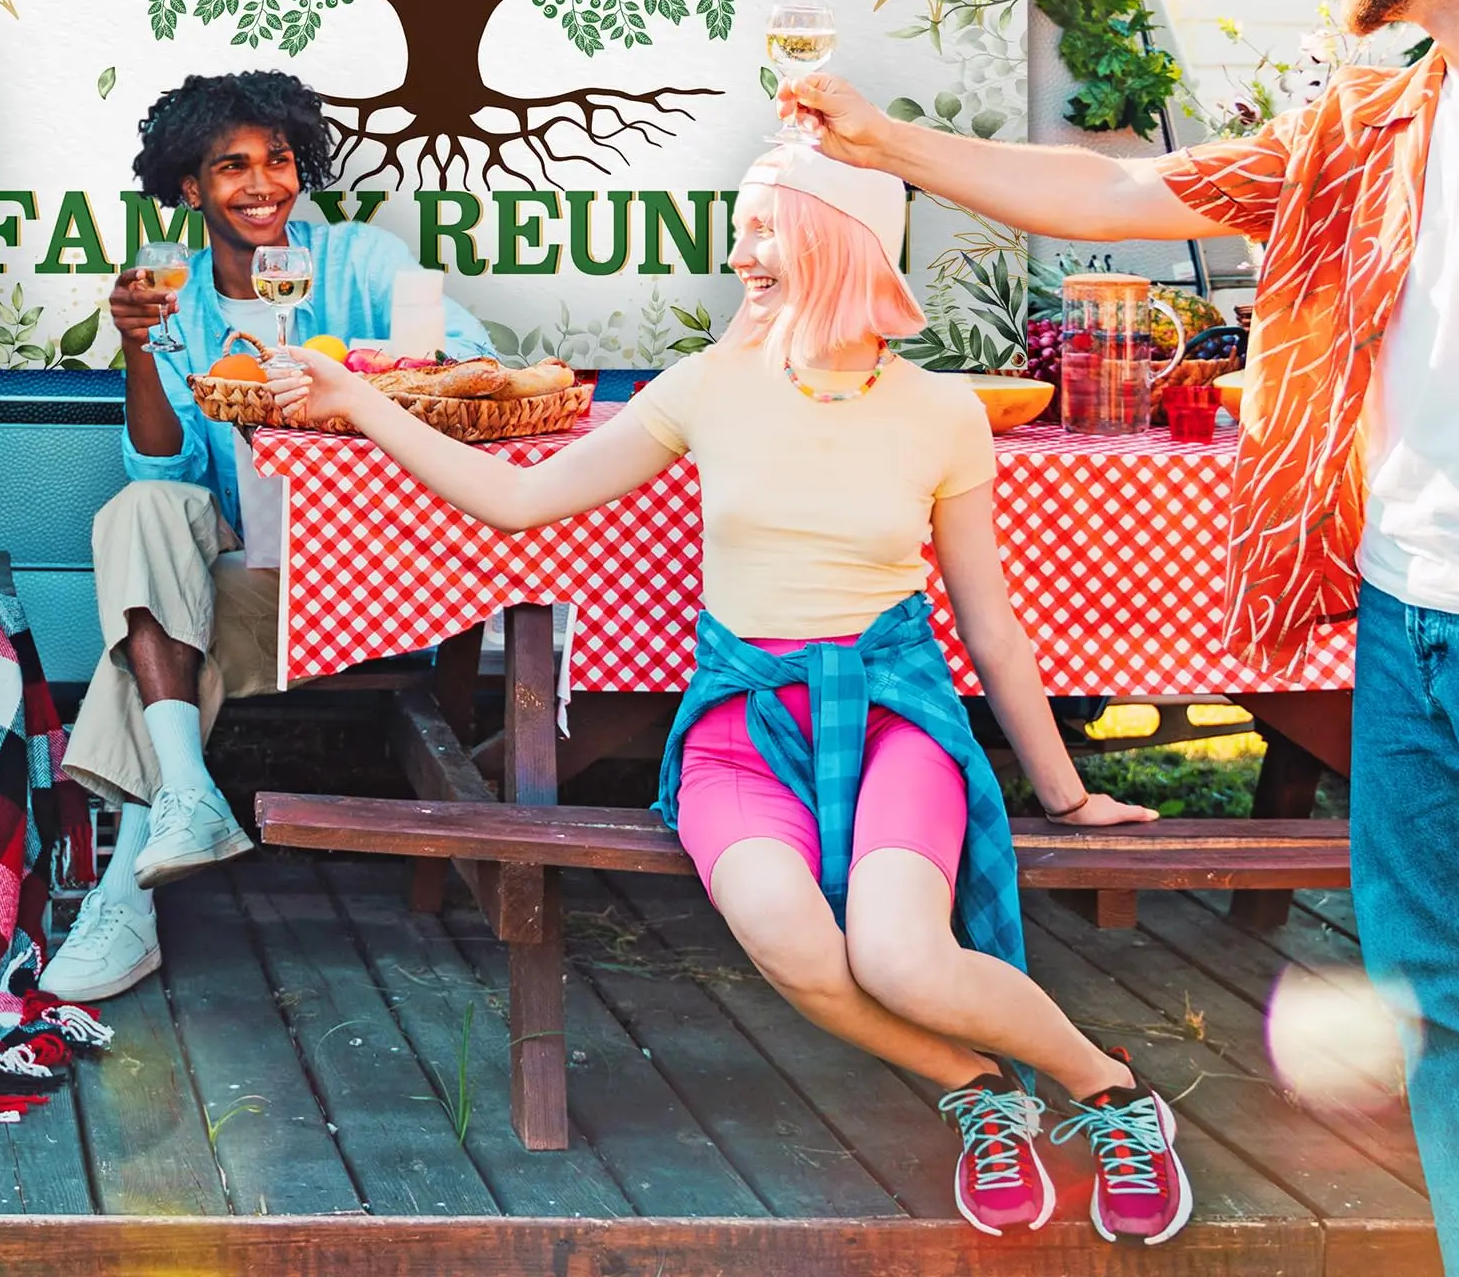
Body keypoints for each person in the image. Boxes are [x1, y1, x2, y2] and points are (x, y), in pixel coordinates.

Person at [779, 0, 1459, 1276]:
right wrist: (888, 145)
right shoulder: (1373, 118)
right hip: (1414, 620)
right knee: (1442, 999)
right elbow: (1127, 196)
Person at [272, 143, 1194, 1245]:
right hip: (738, 732)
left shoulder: (939, 409)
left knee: (899, 953)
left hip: (893, 717)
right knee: (795, 944)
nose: (735, 251)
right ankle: (981, 1091)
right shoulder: (706, 386)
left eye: (760, 227)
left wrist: (1062, 792)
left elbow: (985, 622)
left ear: (831, 239)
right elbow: (516, 507)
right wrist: (353, 402)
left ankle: (1109, 1095)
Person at [46, 71, 492, 1003]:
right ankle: (184, 796)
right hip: (251, 570)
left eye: (279, 160)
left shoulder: (362, 261)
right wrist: (135, 347)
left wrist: (357, 382)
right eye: (231, 166)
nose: (262, 185)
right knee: (138, 518)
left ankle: (130, 886)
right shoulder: (173, 297)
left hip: (368, 570)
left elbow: (464, 361)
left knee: (156, 642)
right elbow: (163, 478)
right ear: (189, 187)